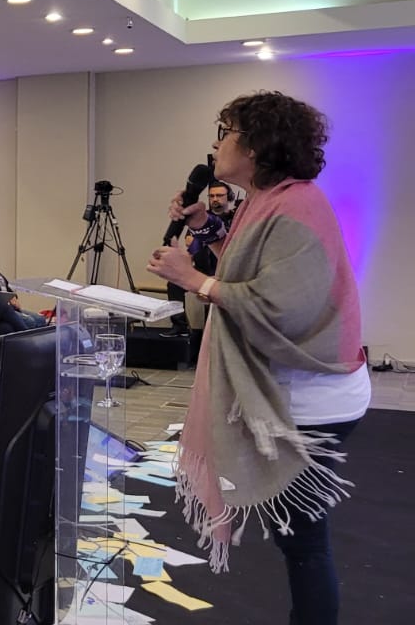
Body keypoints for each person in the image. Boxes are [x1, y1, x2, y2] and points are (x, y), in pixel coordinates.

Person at [147, 92, 365, 623]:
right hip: (291, 390)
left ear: (255, 144)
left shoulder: (297, 206)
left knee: (303, 541)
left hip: (308, 396)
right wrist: (203, 225)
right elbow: (244, 266)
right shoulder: (266, 200)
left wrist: (194, 280)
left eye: (225, 132)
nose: (216, 144)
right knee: (299, 537)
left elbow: (281, 305)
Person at [160, 182, 239, 338]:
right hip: (202, 266)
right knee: (174, 284)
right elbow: (191, 244)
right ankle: (180, 326)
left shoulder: (236, 218)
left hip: (225, 270)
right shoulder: (202, 216)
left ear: (229, 197)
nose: (215, 199)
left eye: (219, 195)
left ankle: (212, 335)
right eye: (212, 196)